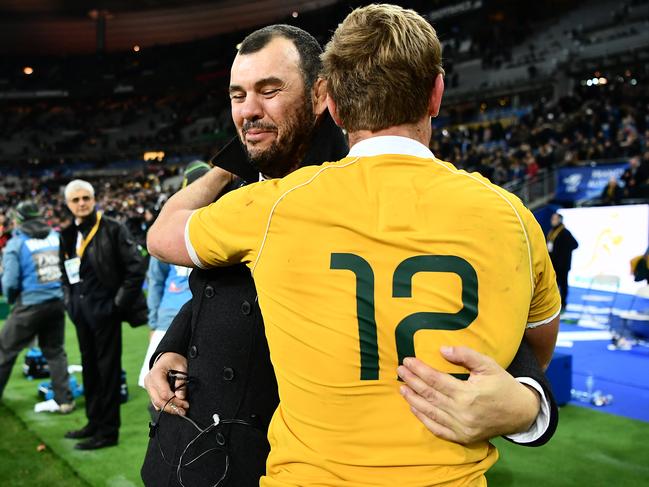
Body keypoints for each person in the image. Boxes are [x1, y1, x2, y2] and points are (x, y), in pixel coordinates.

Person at [148, 7, 560, 486]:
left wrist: (225, 163)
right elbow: (529, 343)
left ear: (332, 102)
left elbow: (163, 235)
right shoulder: (510, 214)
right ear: (436, 93)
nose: (249, 109)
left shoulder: (279, 205)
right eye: (239, 95)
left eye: (269, 90)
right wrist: (528, 401)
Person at [59, 179, 147, 450]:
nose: (81, 203)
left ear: (94, 199)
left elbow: (135, 268)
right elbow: (65, 275)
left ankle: (108, 432)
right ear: (67, 204)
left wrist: (116, 306)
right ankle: (93, 422)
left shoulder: (112, 228)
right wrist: (70, 304)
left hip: (105, 311)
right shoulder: (66, 234)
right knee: (90, 369)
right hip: (81, 312)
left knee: (107, 372)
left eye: (86, 198)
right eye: (75, 200)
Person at [137, 162, 210, 389]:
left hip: (205, 320)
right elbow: (156, 281)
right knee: (158, 391)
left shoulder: (219, 224)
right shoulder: (169, 230)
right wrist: (153, 323)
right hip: (168, 320)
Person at [0, 201, 74, 413]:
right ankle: (64, 401)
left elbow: (10, 282)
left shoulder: (16, 243)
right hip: (56, 303)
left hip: (30, 305)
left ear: (19, 219)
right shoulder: (55, 237)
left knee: (4, 350)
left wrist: (13, 299)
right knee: (55, 352)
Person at [547, 212, 579, 309]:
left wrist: (563, 253)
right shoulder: (552, 231)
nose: (553, 220)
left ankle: (564, 303)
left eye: (555, 219)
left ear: (560, 220)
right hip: (554, 264)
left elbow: (575, 244)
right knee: (554, 285)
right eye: (552, 218)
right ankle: (554, 304)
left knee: (563, 284)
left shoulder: (565, 232)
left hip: (563, 265)